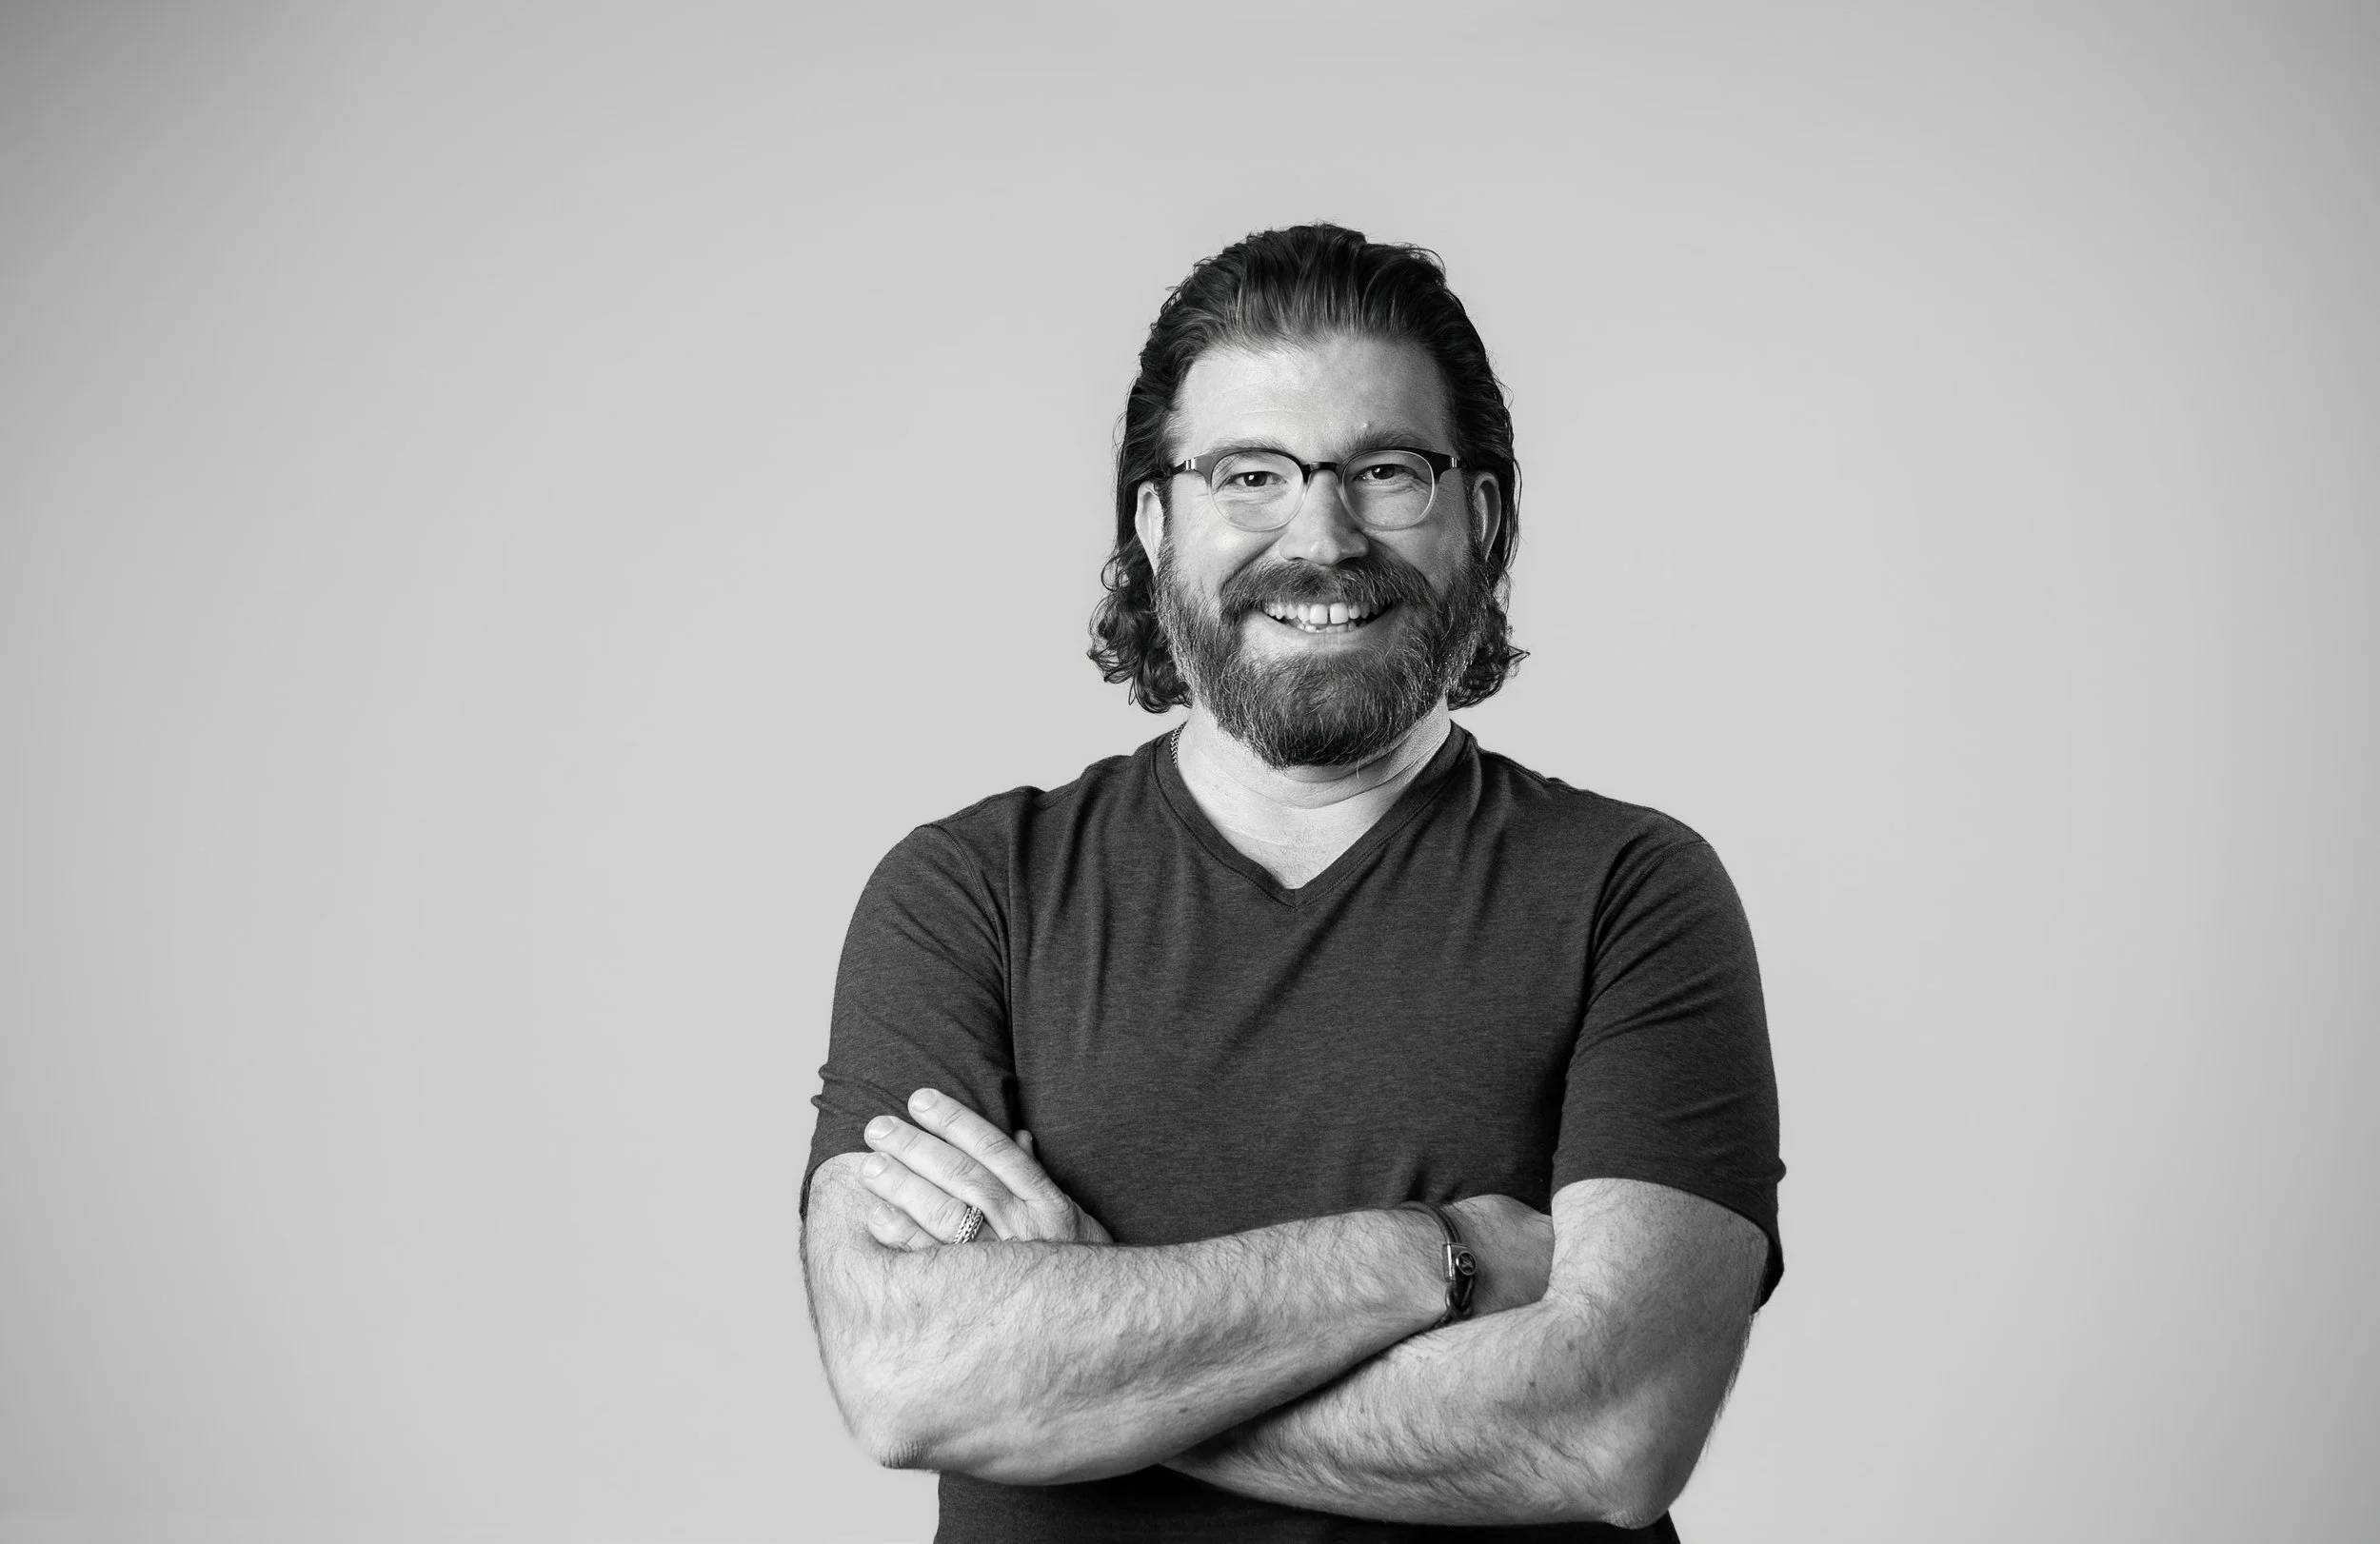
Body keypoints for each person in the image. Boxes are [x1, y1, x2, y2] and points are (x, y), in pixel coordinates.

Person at [800, 223, 1784, 1541]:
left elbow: (1605, 1426)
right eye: (1249, 473)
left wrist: (1089, 1360)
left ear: (1479, 516)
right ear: (1156, 523)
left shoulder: (1631, 891)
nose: (1320, 534)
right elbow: (908, 1375)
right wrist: (1432, 1256)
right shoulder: (971, 894)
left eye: (1385, 470)